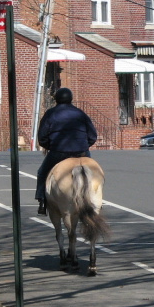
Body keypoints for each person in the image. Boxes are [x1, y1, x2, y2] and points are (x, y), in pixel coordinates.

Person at [35, 87, 98, 215]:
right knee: (94, 173)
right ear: (71, 99)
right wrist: (84, 145)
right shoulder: (81, 114)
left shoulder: (50, 114)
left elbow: (42, 138)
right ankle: (95, 199)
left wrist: (50, 145)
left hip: (59, 152)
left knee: (42, 173)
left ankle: (42, 200)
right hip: (82, 152)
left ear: (56, 99)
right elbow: (93, 136)